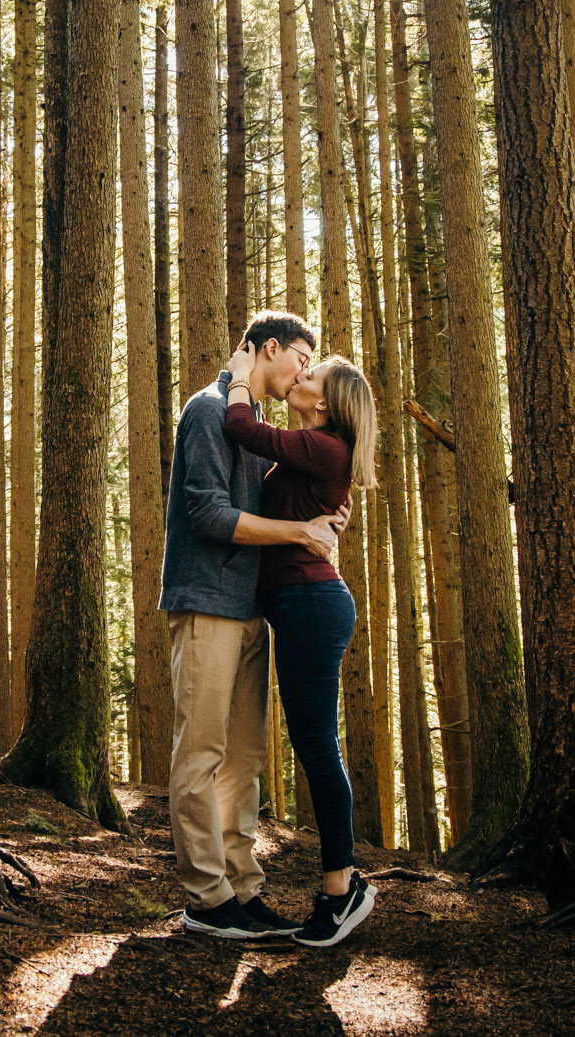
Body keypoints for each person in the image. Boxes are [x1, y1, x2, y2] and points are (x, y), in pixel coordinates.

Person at [161, 311, 348, 941]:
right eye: (300, 359)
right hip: (206, 600)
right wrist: (300, 531)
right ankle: (206, 899)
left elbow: (276, 499)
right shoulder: (211, 410)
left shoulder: (252, 420)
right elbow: (210, 515)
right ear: (270, 349)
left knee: (242, 758)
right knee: (202, 752)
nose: (302, 372)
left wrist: (324, 514)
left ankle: (242, 885)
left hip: (249, 609)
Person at [222, 340, 380, 948]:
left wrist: (238, 376)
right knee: (316, 745)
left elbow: (241, 427)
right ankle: (342, 885)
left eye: (313, 373)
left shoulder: (321, 446)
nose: (302, 375)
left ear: (326, 401)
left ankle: (341, 891)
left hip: (310, 605)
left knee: (317, 748)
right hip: (302, 606)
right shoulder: (317, 453)